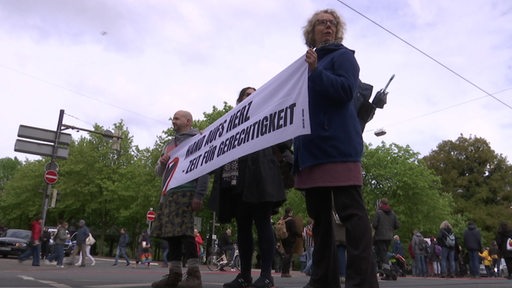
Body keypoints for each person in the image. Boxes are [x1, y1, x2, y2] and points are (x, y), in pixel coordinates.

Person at [293, 8, 379, 288]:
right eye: (321, 23)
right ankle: (322, 279)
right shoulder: (300, 67)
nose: (327, 27)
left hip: (338, 145)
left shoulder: (344, 58)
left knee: (351, 214)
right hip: (310, 149)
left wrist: (317, 72)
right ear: (312, 31)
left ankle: (361, 281)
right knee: (320, 221)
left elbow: (344, 92)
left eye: (332, 24)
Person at [210, 86, 287, 288]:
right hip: (237, 180)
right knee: (243, 228)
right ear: (239, 100)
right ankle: (244, 275)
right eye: (247, 94)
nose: (251, 96)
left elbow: (285, 139)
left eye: (255, 94)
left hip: (260, 177)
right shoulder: (230, 123)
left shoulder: (268, 116)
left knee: (263, 223)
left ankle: (267, 275)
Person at [151, 110, 209, 288]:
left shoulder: (198, 140)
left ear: (188, 121)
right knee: (171, 235)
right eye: (173, 118)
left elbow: (204, 166)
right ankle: (174, 274)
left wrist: (199, 194)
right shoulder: (169, 145)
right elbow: (159, 173)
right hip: (169, 195)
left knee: (186, 234)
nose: (173, 121)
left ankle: (194, 275)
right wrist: (161, 162)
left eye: (177, 118)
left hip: (187, 191)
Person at [372, 198, 400, 271]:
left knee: (382, 254)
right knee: (384, 253)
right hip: (389, 237)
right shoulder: (393, 213)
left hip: (380, 237)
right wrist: (390, 228)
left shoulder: (379, 212)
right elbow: (397, 225)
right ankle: (385, 269)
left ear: (381, 203)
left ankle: (387, 271)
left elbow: (374, 224)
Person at [280, 207, 300, 278]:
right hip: (290, 240)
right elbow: (294, 231)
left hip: (283, 239)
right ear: (290, 212)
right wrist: (300, 235)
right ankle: (285, 272)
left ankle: (284, 271)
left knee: (286, 254)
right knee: (288, 256)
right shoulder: (291, 220)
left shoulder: (282, 219)